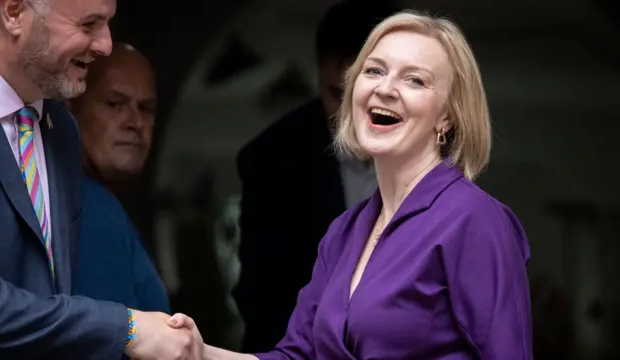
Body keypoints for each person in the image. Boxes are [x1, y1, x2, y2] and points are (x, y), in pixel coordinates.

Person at [174, 10, 534, 359]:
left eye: (415, 79)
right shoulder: (344, 232)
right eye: (374, 70)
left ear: (448, 117)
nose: (385, 88)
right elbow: (296, 355)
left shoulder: (476, 220)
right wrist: (198, 354)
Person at [0, 0, 197, 359]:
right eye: (89, 24)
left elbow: (50, 300)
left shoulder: (62, 131)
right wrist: (125, 328)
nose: (106, 44)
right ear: (14, 12)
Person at [233, 0, 399, 351]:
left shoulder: (433, 150)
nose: (349, 115)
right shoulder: (269, 161)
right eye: (336, 94)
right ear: (319, 74)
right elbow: (261, 299)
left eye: (365, 97)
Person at [65, 42, 169, 313]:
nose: (135, 121)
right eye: (115, 104)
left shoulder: (106, 208)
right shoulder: (85, 209)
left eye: (146, 108)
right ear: (72, 107)